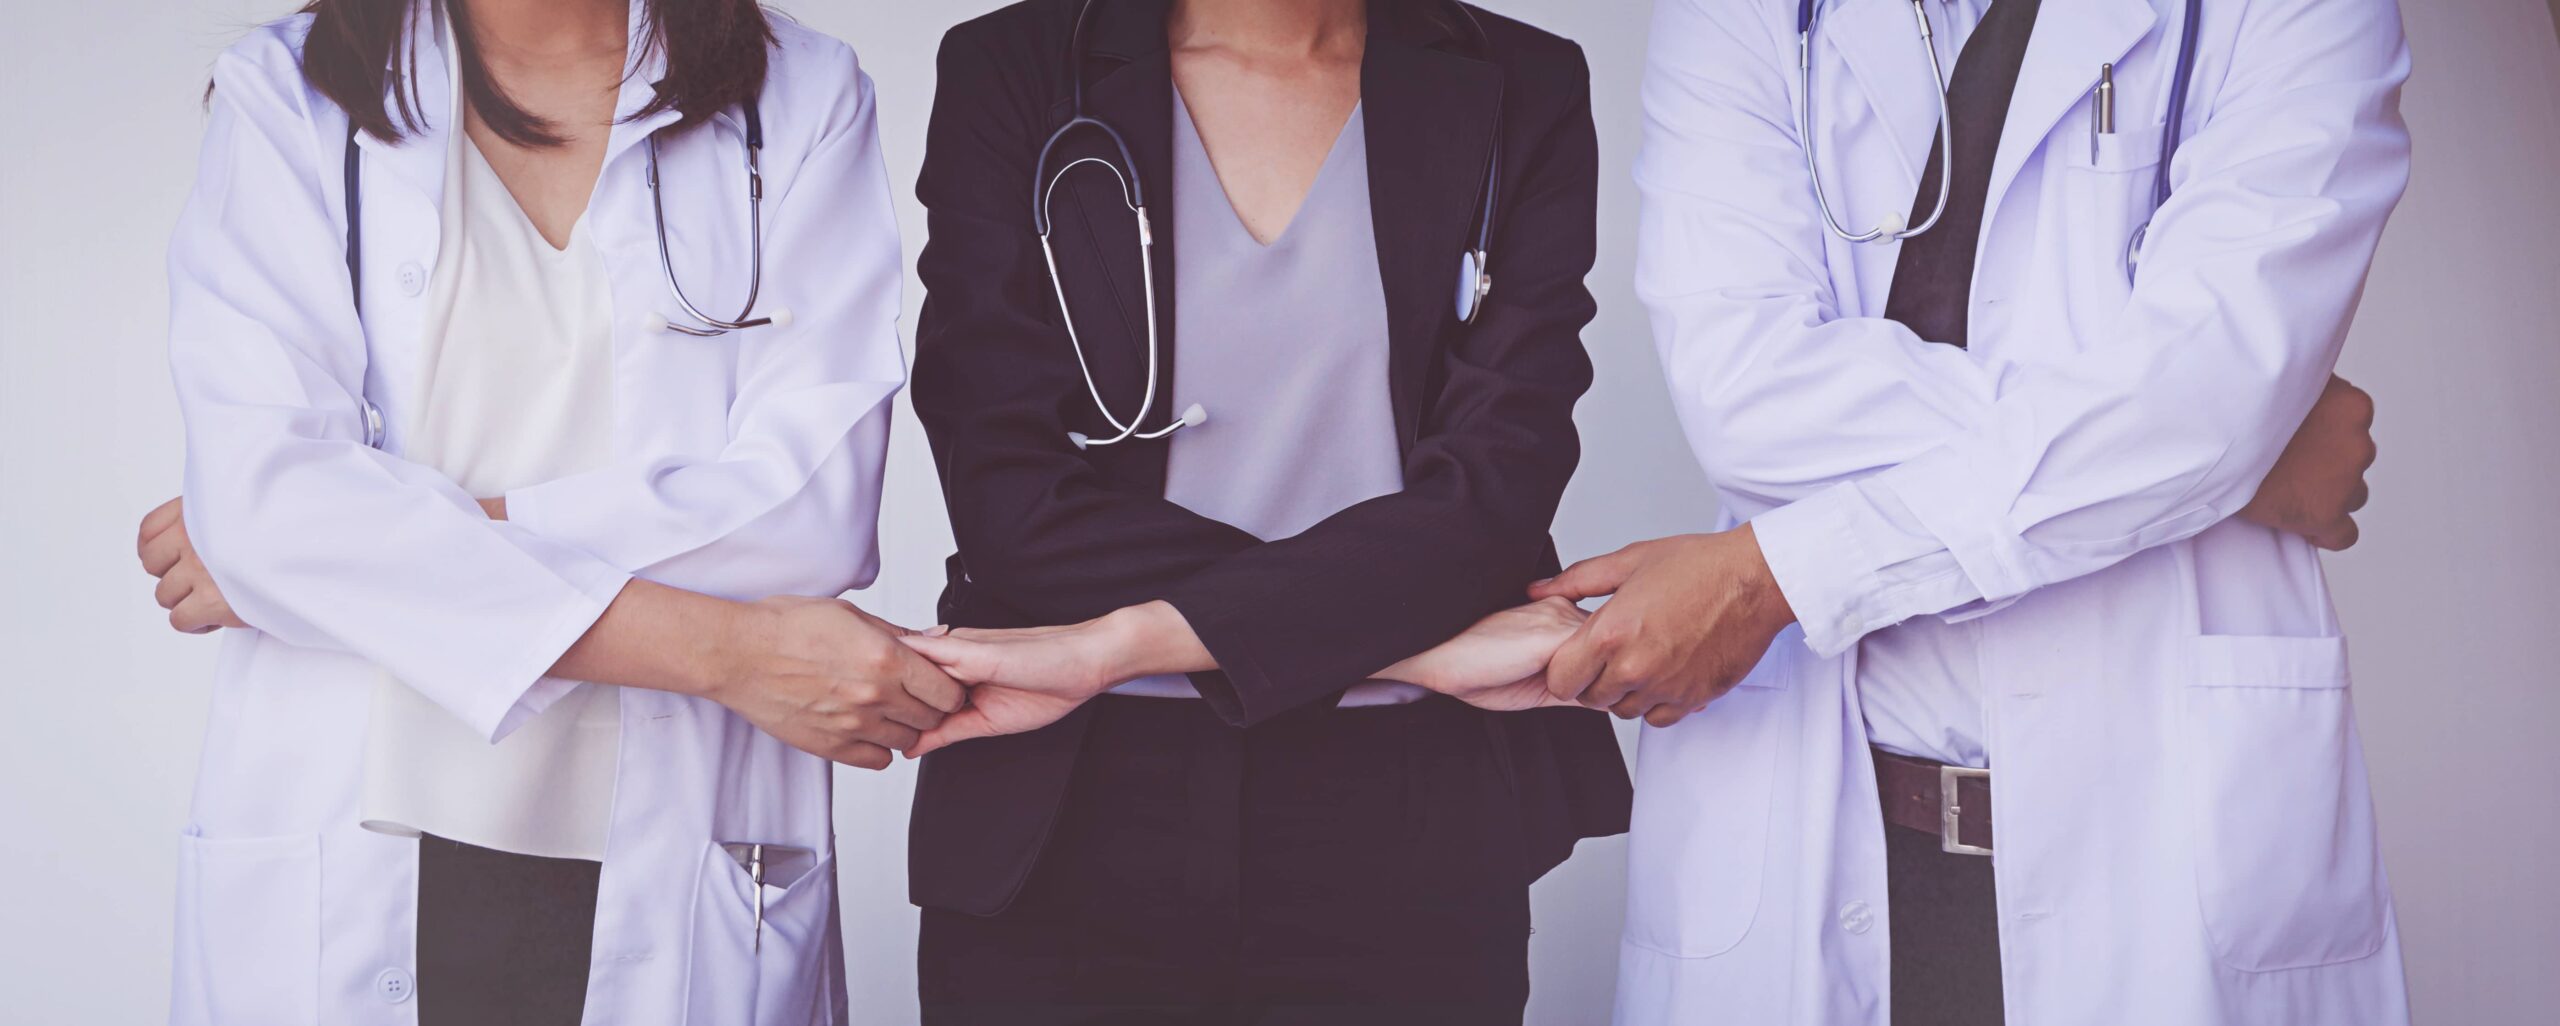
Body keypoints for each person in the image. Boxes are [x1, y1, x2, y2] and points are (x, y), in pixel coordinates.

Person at [1542, 0, 2413, 1023]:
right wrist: (2208, 443)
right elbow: (1745, 395)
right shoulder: (1744, 15)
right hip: (1816, 833)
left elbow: (2210, 396)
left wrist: (1781, 575)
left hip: (2159, 840)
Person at [136, 1, 951, 1022]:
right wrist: (722, 652)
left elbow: (811, 515)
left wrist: (338, 546)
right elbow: (270, 509)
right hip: (363, 814)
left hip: (677, 829)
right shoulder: (288, 91)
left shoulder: (802, 91)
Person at [895, 0, 1630, 1021]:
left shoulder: (1520, 83)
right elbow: (1011, 502)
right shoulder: (1014, 68)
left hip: (1412, 816)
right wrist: (1410, 643)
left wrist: (1123, 642)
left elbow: (1496, 490)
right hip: (1068, 798)